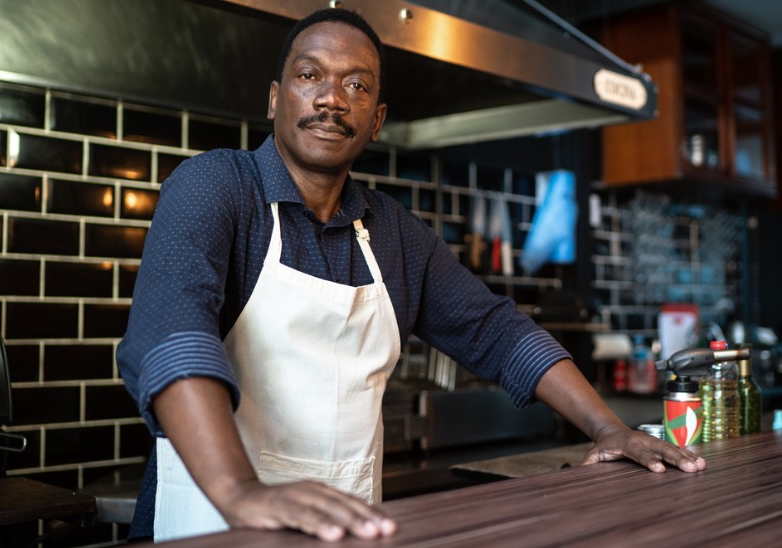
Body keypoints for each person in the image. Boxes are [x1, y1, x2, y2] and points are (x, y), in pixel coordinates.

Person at [116, 7, 706, 543]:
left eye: (356, 85)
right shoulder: (216, 187)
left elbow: (498, 332)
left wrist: (606, 429)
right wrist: (241, 492)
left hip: (347, 527)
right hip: (212, 521)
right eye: (309, 76)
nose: (331, 99)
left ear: (377, 120)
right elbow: (173, 334)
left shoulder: (394, 233)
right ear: (275, 99)